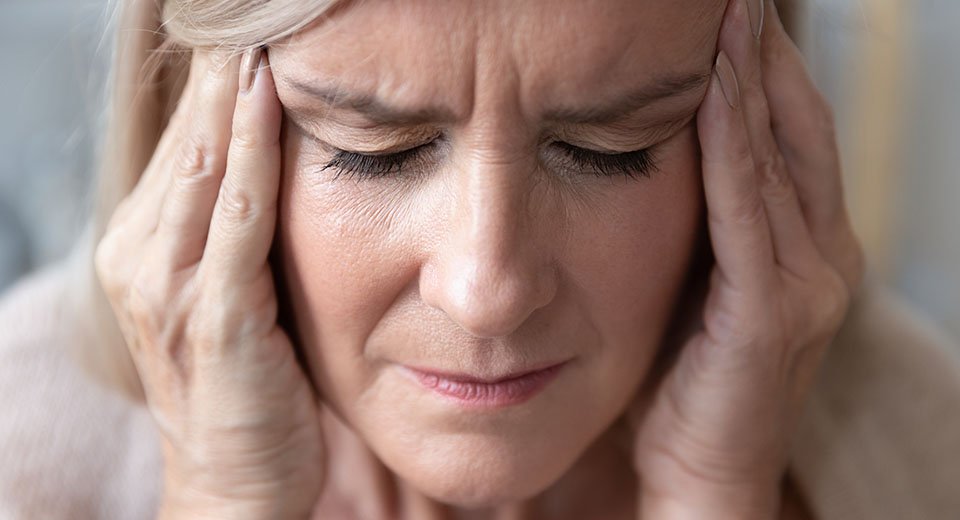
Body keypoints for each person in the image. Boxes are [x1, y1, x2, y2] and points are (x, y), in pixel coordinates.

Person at [1, 0, 958, 518]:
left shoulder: (923, 448)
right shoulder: (28, 452)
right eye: (373, 151)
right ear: (190, 126)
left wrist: (716, 495)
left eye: (610, 149)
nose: (487, 290)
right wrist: (224, 499)